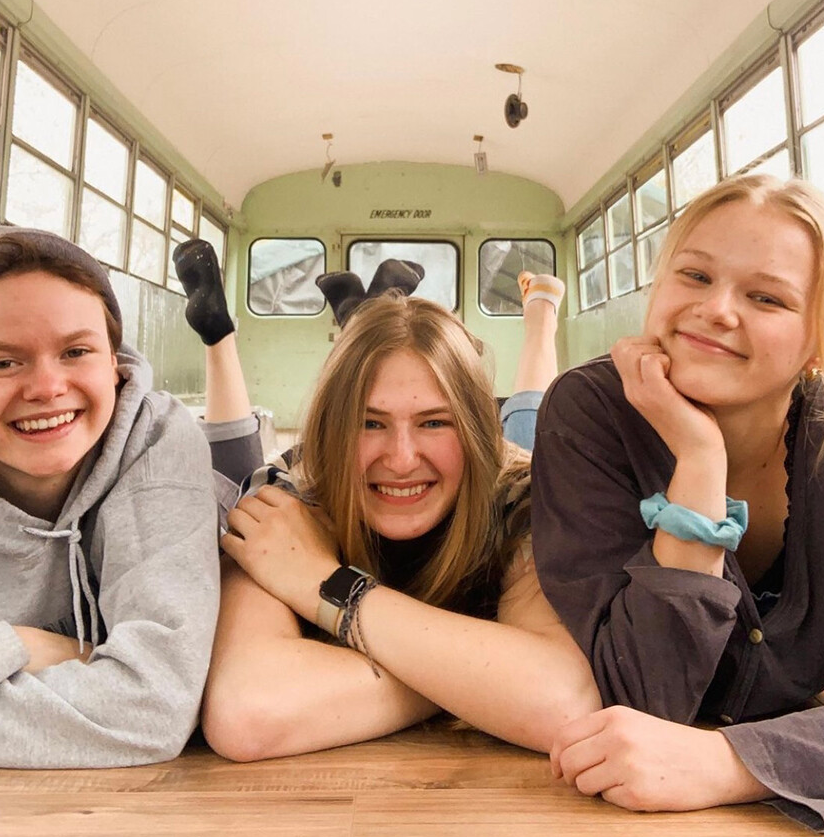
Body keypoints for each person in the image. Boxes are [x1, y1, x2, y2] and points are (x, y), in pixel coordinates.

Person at [531, 174, 824, 832]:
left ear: (821, 342)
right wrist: (699, 457)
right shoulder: (587, 412)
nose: (716, 309)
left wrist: (731, 763)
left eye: (766, 297)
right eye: (694, 275)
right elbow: (645, 693)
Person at [198, 283, 597, 762]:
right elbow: (248, 711)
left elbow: (563, 704)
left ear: (475, 431)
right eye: (370, 423)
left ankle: (541, 314)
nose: (402, 459)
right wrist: (480, 681)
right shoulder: (292, 495)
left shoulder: (521, 499)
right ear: (330, 430)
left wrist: (324, 583)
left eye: (434, 422)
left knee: (533, 417)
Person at [0, 227, 222, 768]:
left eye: (76, 351)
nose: (46, 388)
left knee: (239, 463)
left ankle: (219, 333)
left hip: (221, 504)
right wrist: (25, 644)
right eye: (2, 362)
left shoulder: (157, 438)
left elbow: (153, 710)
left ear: (114, 362)